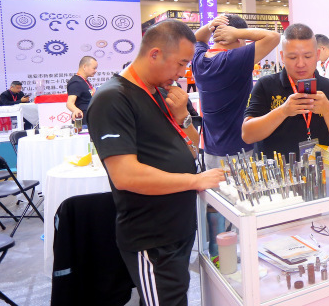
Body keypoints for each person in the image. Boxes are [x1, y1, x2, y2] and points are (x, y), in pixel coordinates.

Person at [86, 19, 225, 305]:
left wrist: (182, 118)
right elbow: (125, 175)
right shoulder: (113, 98)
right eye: (180, 63)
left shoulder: (162, 91)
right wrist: (195, 181)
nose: (182, 73)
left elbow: (192, 151)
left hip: (178, 228)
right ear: (154, 54)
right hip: (152, 237)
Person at [242, 23, 329, 157]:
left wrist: (327, 110)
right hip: (274, 168)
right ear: (283, 57)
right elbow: (247, 135)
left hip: (315, 167)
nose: (300, 64)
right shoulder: (265, 85)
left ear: (317, 55)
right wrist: (283, 111)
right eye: (293, 57)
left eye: (307, 56)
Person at [192, 14, 280, 169]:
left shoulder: (199, 60)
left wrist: (211, 25)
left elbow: (197, 39)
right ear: (237, 38)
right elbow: (274, 37)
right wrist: (238, 32)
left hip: (210, 151)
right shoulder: (232, 60)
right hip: (239, 151)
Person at [66, 56, 98, 125]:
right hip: (82, 123)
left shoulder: (84, 81)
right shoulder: (76, 82)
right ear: (85, 66)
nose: (96, 71)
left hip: (90, 120)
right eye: (94, 68)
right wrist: (76, 110)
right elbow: (69, 103)